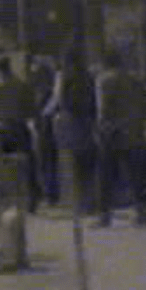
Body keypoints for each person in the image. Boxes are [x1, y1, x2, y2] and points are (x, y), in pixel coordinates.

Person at [94, 49, 146, 228]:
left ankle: (104, 216)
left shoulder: (104, 80)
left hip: (113, 134)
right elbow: (145, 105)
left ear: (105, 63)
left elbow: (103, 109)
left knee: (106, 176)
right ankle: (144, 213)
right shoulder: (135, 80)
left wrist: (101, 129)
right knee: (137, 175)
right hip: (134, 132)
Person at [44, 40, 98, 219]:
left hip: (71, 122)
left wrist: (46, 114)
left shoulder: (65, 77)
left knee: (72, 163)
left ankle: (77, 203)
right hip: (87, 123)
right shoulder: (88, 76)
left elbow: (59, 99)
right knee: (87, 164)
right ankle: (89, 202)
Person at [0, 55, 40, 212]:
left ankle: (11, 199)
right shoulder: (22, 85)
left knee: (5, 166)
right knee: (27, 164)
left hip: (3, 128)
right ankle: (31, 199)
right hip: (20, 127)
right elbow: (31, 109)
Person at [28, 55, 60, 205]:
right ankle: (50, 194)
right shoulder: (50, 91)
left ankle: (50, 194)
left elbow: (41, 111)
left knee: (46, 162)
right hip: (47, 130)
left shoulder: (44, 93)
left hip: (45, 130)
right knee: (48, 162)